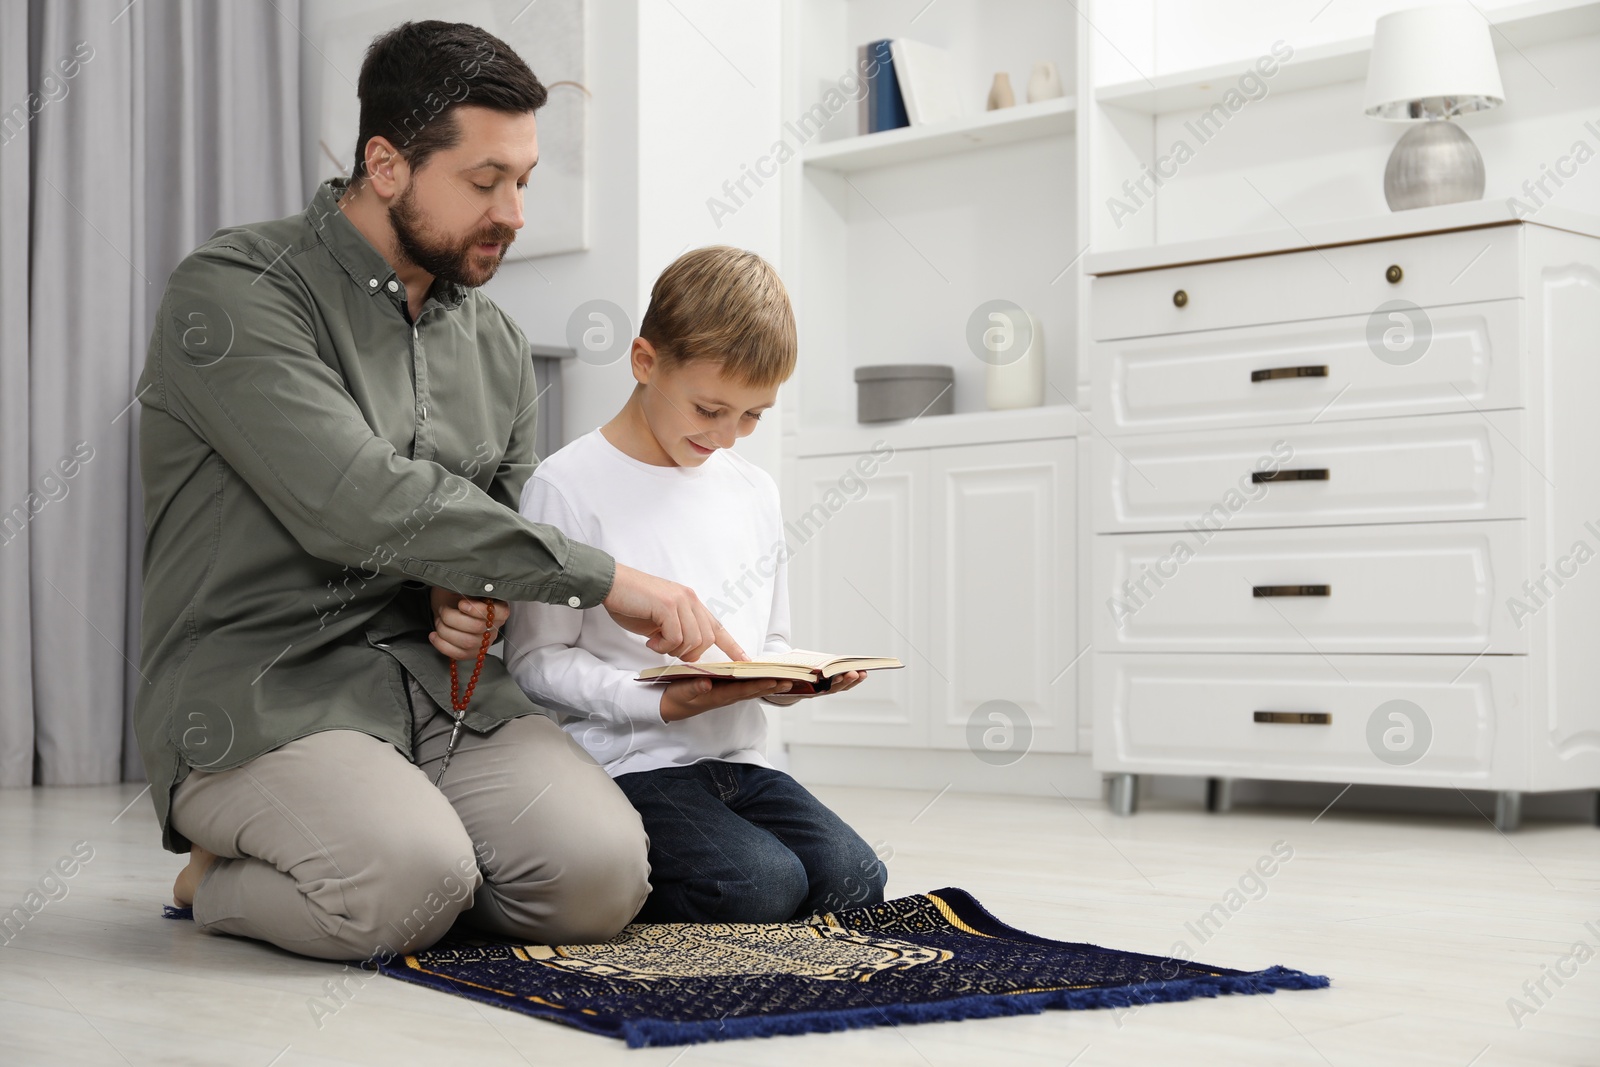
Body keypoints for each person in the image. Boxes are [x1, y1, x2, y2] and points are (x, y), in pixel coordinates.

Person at [135, 21, 745, 963]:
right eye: (484, 181)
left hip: (439, 692)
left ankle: (401, 856)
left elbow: (489, 533)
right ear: (385, 164)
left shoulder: (496, 343)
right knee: (409, 885)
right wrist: (608, 579)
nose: (514, 212)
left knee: (602, 879)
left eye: (525, 180)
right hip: (263, 692)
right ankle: (214, 875)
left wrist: (472, 599)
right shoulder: (234, 290)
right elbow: (352, 497)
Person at [503, 246, 889, 924]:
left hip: (741, 760)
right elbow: (535, 663)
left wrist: (788, 679)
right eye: (710, 408)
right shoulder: (566, 488)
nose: (728, 435)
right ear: (645, 362)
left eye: (751, 416)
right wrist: (656, 703)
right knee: (761, 886)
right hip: (633, 765)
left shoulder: (754, 491)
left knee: (856, 879)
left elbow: (769, 637)